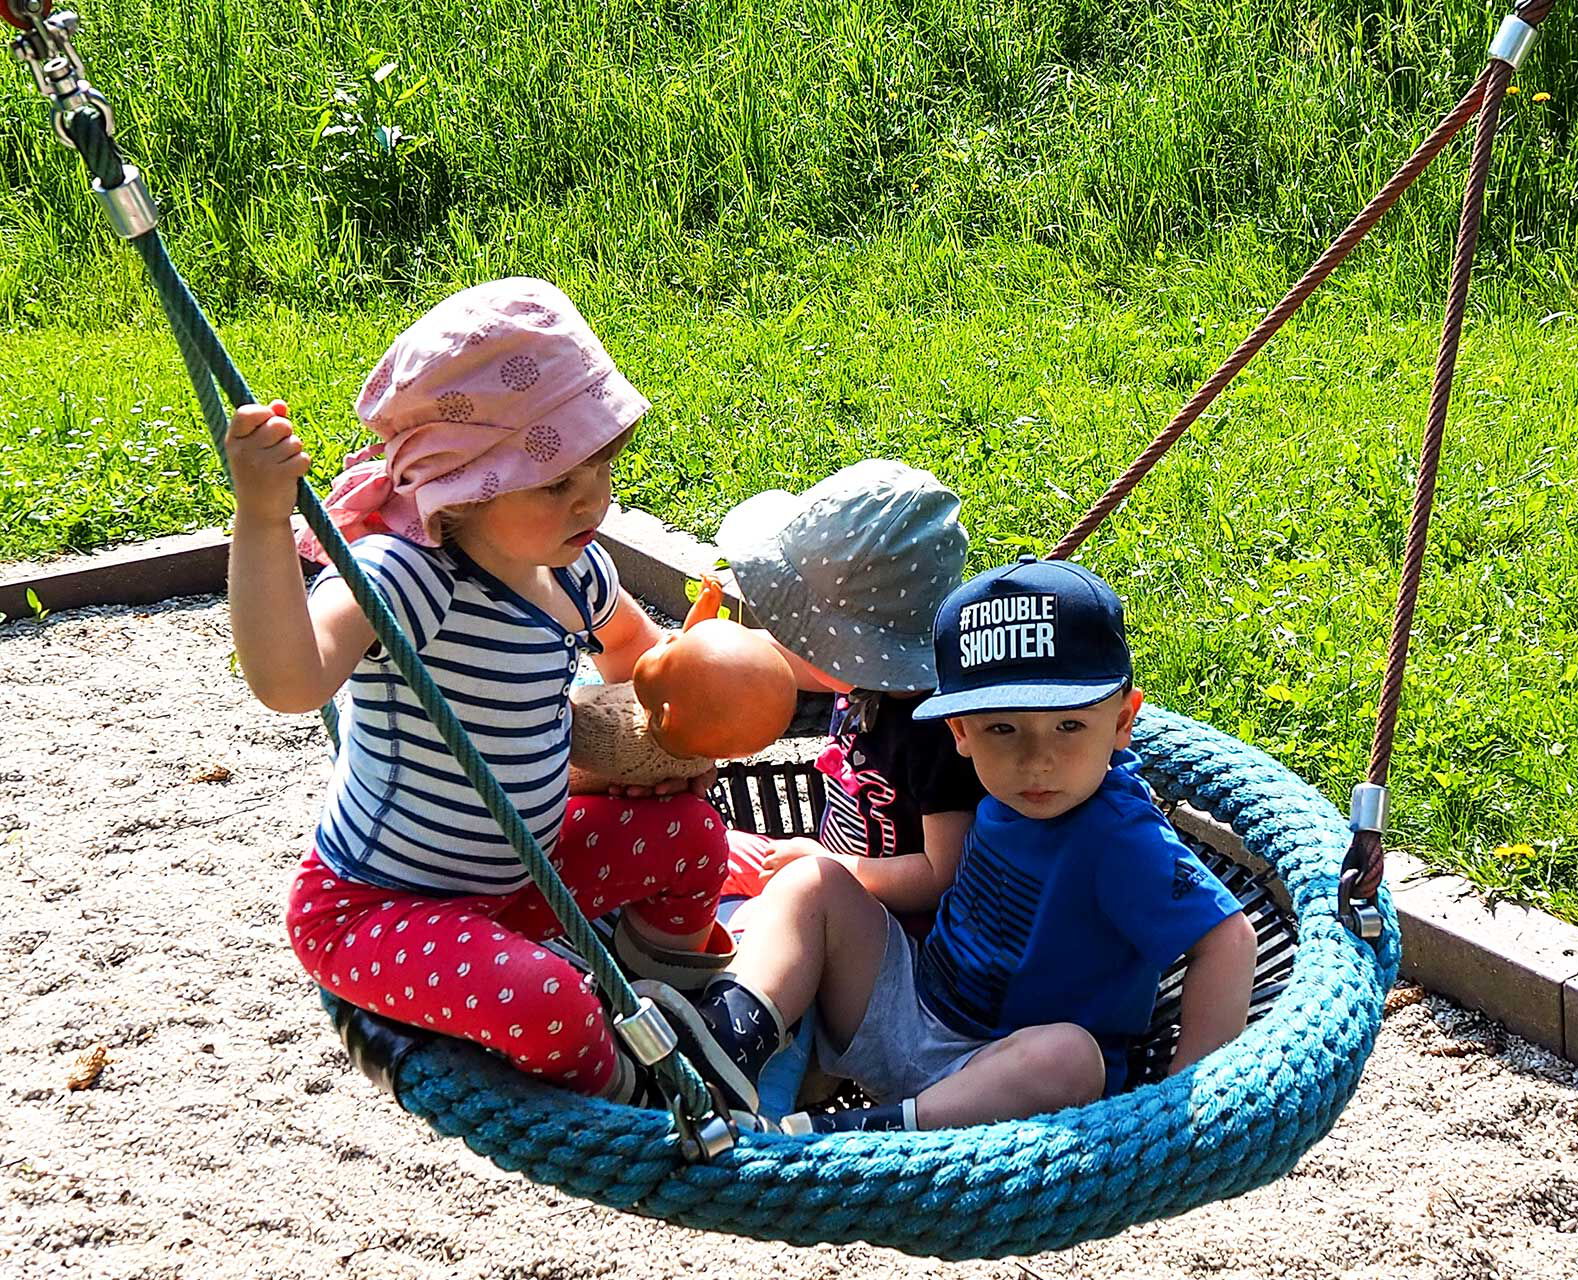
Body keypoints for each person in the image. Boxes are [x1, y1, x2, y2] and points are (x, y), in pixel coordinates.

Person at [225, 277, 731, 1102]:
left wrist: (682, 733)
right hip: (379, 910)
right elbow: (291, 680)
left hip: (526, 880)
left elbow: (642, 662)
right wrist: (259, 516)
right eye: (556, 480)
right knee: (550, 1007)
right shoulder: (410, 576)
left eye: (601, 464)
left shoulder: (575, 568)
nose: (593, 498)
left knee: (693, 837)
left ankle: (659, 999)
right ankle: (634, 1099)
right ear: (463, 486)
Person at [641, 554, 1259, 1132]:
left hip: (997, 1071)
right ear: (960, 733)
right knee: (810, 882)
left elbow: (1229, 939)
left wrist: (1188, 1094)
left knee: (1071, 1058)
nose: (1037, 760)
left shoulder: (1119, 836)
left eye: (1069, 725)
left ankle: (854, 1133)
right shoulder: (998, 789)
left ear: (1123, 721)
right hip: (911, 1006)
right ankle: (720, 1052)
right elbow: (829, 666)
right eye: (1003, 728)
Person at [708, 460, 983, 920]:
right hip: (838, 871)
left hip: (887, 927)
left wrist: (828, 866)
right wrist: (708, 650)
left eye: (812, 636)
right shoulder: (870, 676)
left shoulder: (939, 731)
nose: (799, 645)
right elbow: (786, 660)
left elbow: (941, 875)